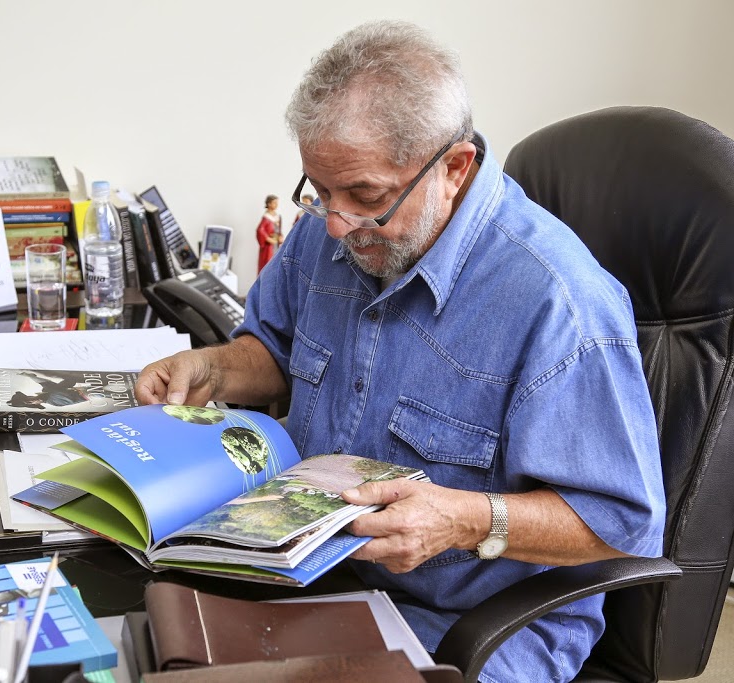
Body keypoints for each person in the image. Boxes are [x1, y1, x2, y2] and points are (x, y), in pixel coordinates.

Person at [136, 20, 664, 682]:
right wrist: (215, 366)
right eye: (320, 190)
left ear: (454, 167)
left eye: (366, 197)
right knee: (138, 632)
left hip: (476, 621)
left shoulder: (561, 302)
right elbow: (273, 349)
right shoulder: (327, 232)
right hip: (309, 574)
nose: (335, 222)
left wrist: (465, 520)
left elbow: (623, 525)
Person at [255, 194, 284, 273]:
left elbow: (278, 230)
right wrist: (268, 239)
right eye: (274, 203)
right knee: (268, 264)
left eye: (277, 203)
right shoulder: (266, 217)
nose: (276, 205)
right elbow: (260, 230)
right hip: (269, 247)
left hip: (276, 245)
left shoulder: (277, 216)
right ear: (269, 204)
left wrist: (280, 236)